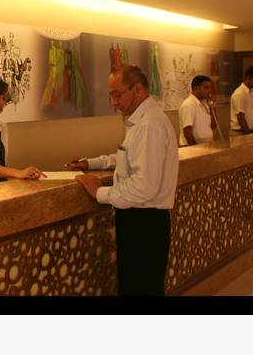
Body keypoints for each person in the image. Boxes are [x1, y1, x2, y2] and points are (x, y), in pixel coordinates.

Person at [70, 64, 178, 295]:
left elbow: (143, 187)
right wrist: (91, 163)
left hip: (143, 222)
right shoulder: (143, 120)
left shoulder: (149, 125)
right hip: (141, 221)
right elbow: (127, 157)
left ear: (137, 89)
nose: (113, 102)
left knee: (140, 289)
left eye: (117, 95)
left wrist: (99, 192)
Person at [178, 75, 217, 146]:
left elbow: (213, 126)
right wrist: (196, 148)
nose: (209, 91)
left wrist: (212, 109)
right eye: (206, 87)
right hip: (192, 147)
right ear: (196, 88)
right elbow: (187, 131)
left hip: (206, 146)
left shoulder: (205, 103)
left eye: (210, 88)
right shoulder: (189, 104)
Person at [230, 66, 253, 134]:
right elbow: (240, 116)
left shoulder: (252, 92)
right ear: (248, 78)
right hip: (241, 133)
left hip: (252, 132)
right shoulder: (239, 93)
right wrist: (248, 134)